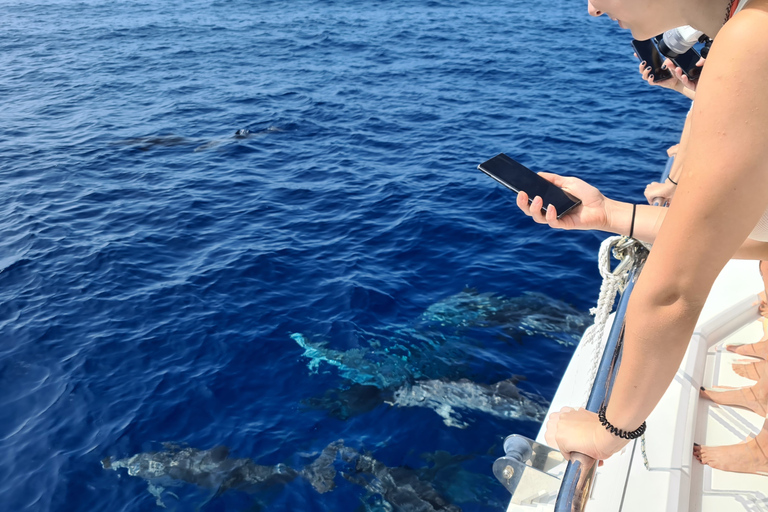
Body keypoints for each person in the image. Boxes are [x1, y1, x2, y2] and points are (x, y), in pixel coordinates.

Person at [519, 0, 768, 476]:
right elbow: (743, 237)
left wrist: (609, 431)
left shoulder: (750, 41)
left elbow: (673, 291)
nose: (592, 9)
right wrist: (607, 213)